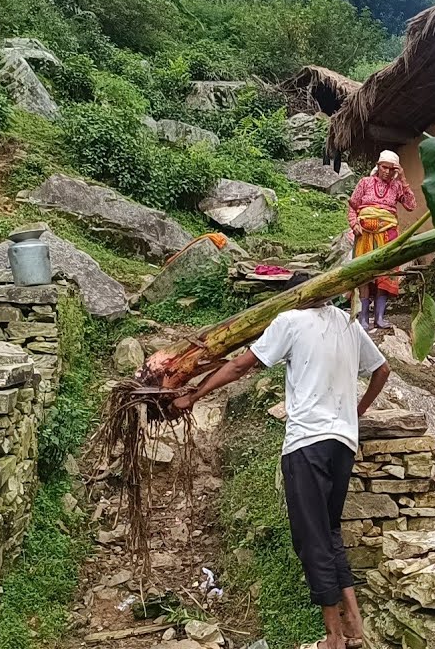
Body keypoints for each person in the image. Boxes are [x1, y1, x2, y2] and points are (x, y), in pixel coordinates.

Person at [171, 276, 390, 649]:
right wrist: (356, 413)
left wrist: (194, 395)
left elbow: (239, 367)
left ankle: (333, 638)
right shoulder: (347, 321)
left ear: (295, 297)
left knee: (311, 539)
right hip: (343, 444)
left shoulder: (289, 320)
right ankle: (354, 623)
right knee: (329, 532)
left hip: (306, 444)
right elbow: (382, 370)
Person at [348, 150, 416, 329]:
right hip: (364, 235)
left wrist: (403, 179)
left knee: (385, 273)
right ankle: (363, 317)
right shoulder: (365, 182)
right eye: (384, 167)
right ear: (378, 166)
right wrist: (354, 223)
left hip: (388, 234)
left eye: (391, 169)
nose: (387, 171)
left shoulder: (397, 186)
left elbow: (411, 205)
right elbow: (353, 206)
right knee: (364, 272)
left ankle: (379, 317)